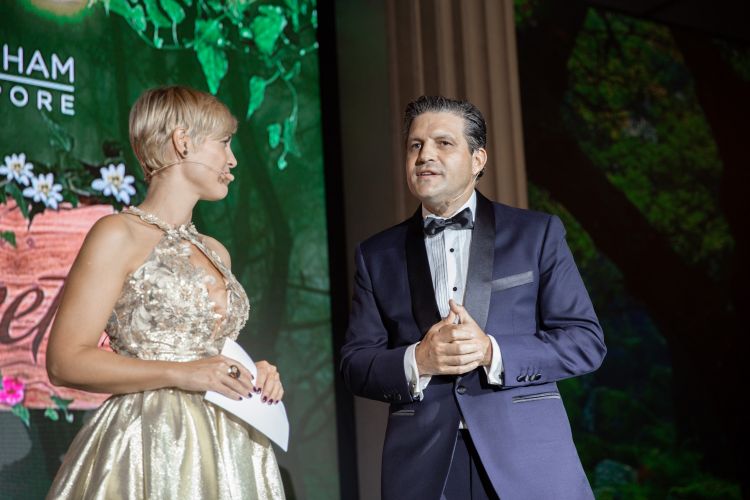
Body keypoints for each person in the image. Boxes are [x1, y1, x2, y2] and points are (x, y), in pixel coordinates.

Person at [340, 95, 606, 500]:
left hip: (527, 462)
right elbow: (355, 363)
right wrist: (418, 360)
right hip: (423, 469)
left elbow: (585, 342)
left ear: (478, 159)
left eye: (443, 143)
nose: (424, 155)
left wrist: (491, 352)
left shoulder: (537, 234)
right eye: (415, 145)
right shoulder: (376, 255)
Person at [46, 86, 285, 499]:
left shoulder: (216, 252)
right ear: (183, 141)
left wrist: (252, 374)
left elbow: (210, 352)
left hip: (229, 444)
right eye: (224, 142)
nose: (232, 159)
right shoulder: (117, 233)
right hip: (149, 439)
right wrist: (181, 373)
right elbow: (64, 360)